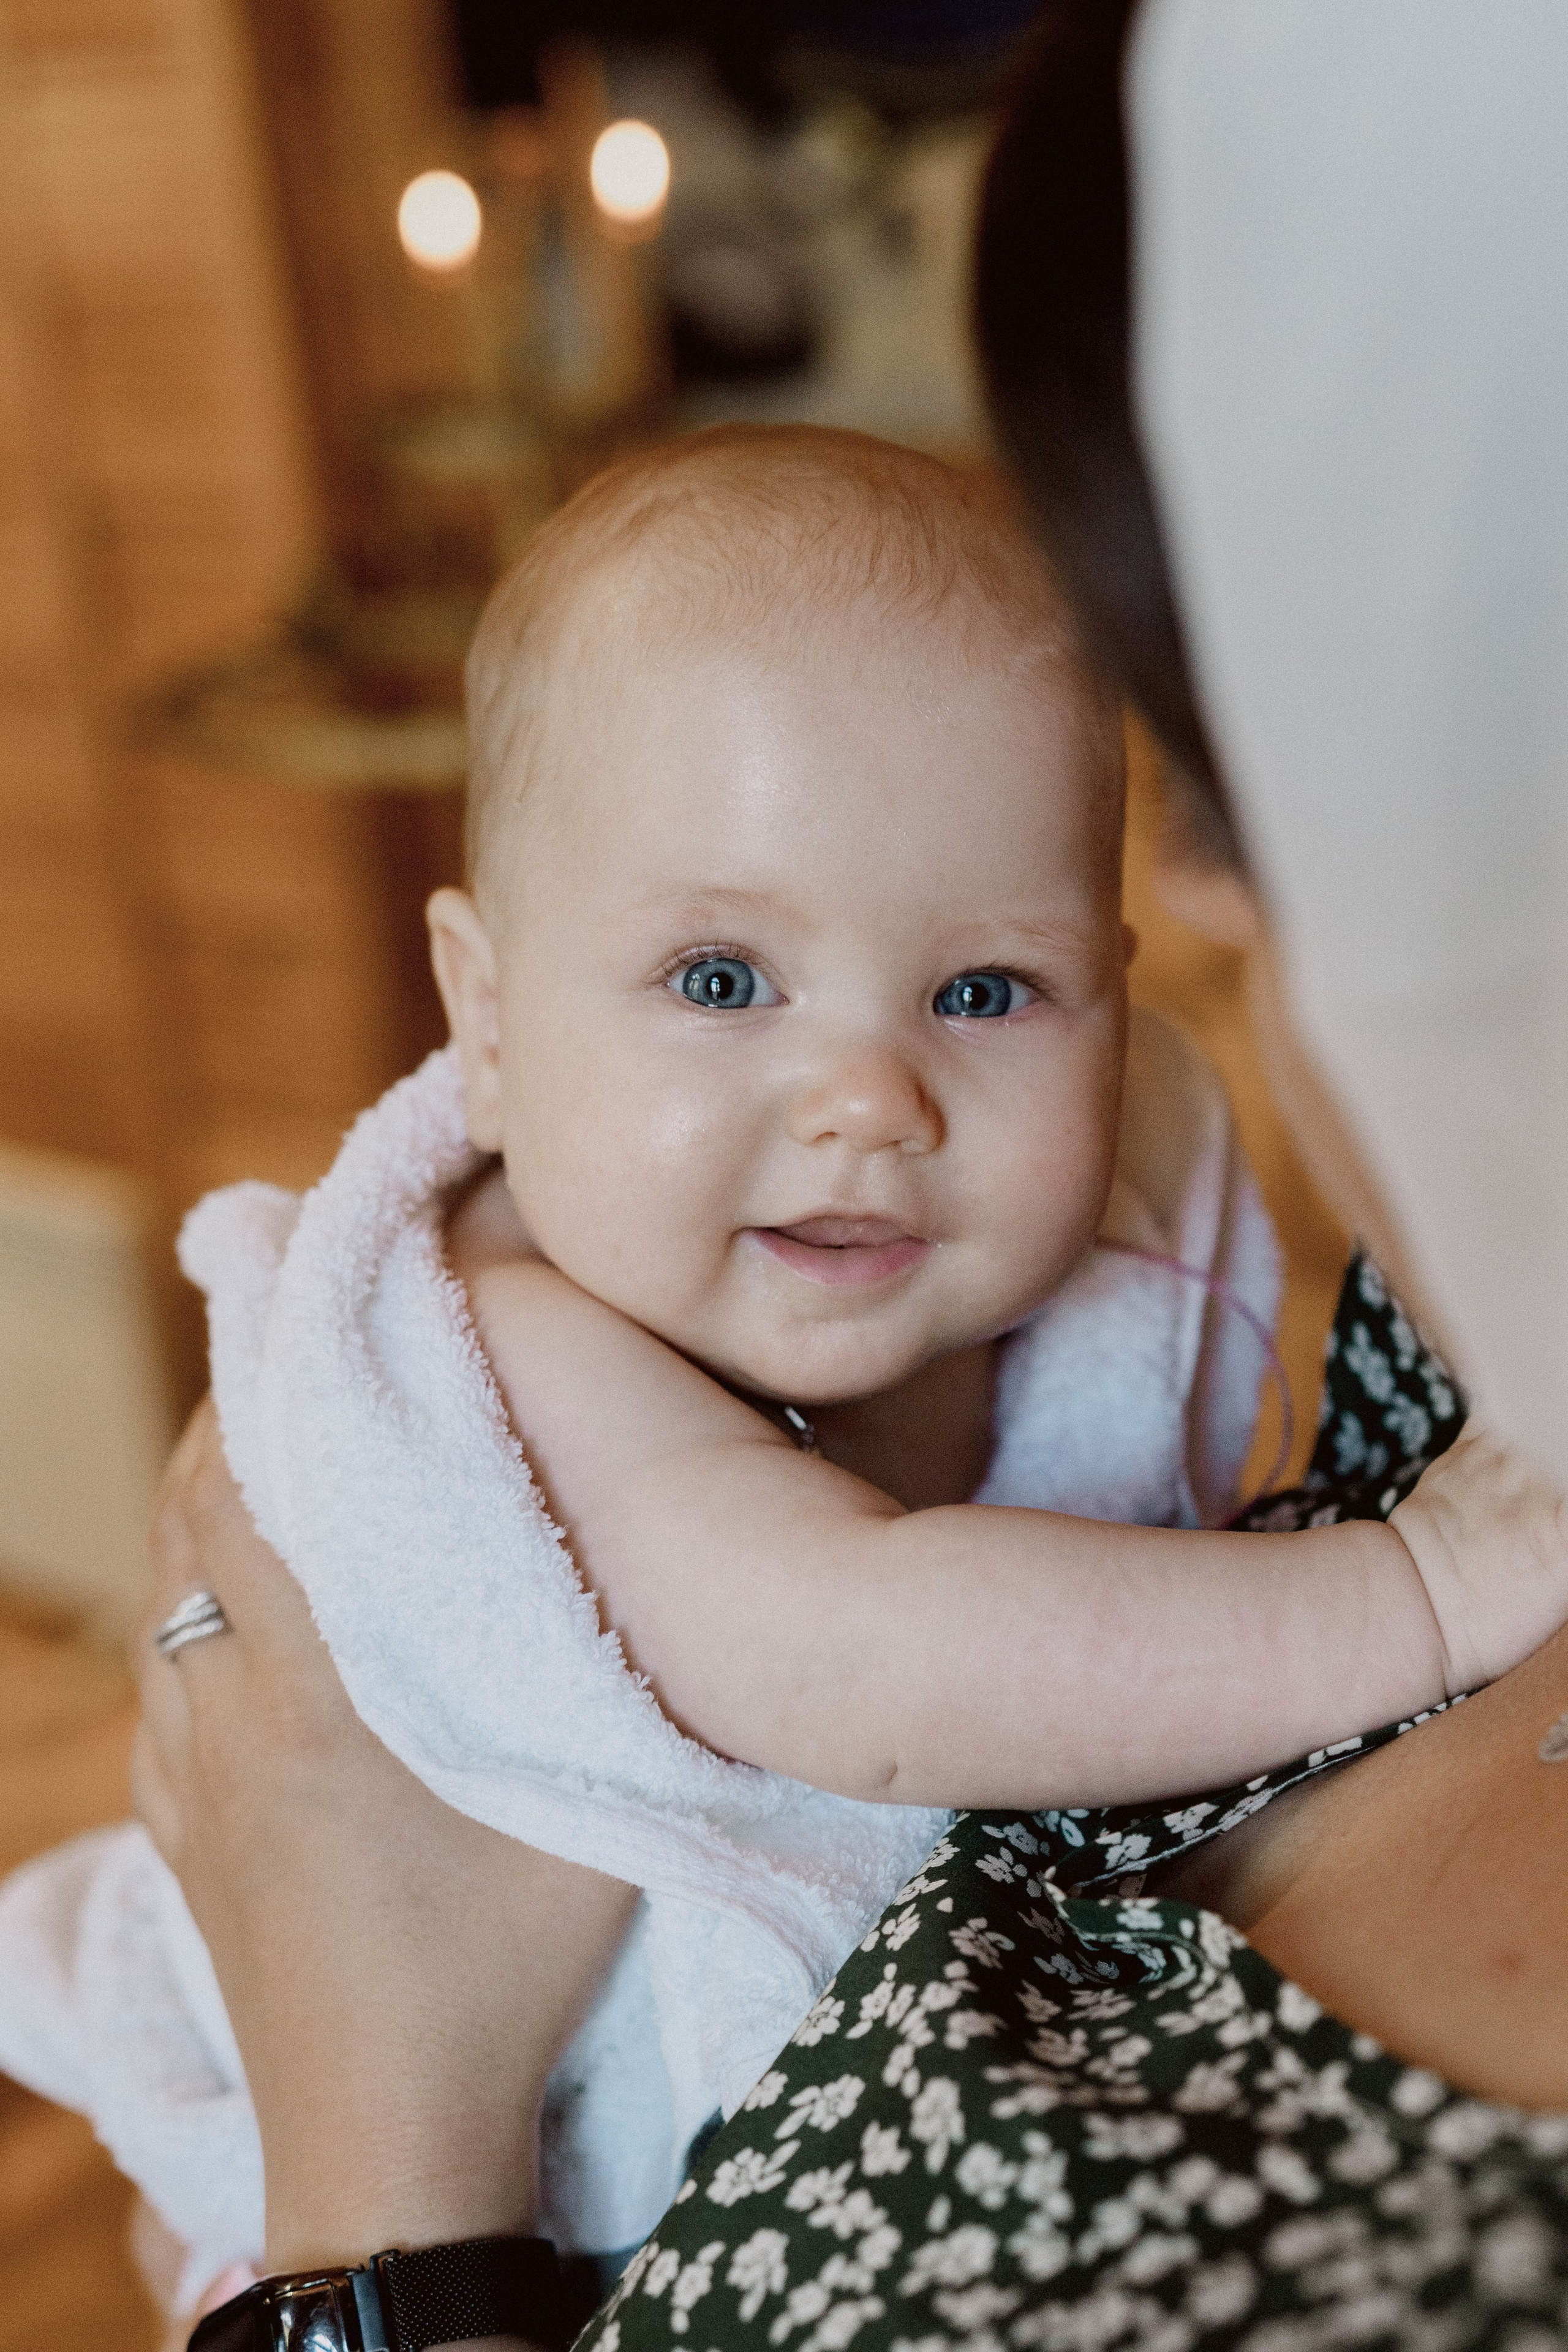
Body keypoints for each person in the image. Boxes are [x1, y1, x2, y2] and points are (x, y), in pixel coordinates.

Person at [126, 5, 1568, 2346]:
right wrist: (1414, 1594)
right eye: (720, 980)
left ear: (1122, 987)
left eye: (985, 991)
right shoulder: (524, 1347)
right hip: (451, 2175)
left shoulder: (1206, 1235)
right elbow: (870, 1661)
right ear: (482, 1017)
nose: (865, 1100)